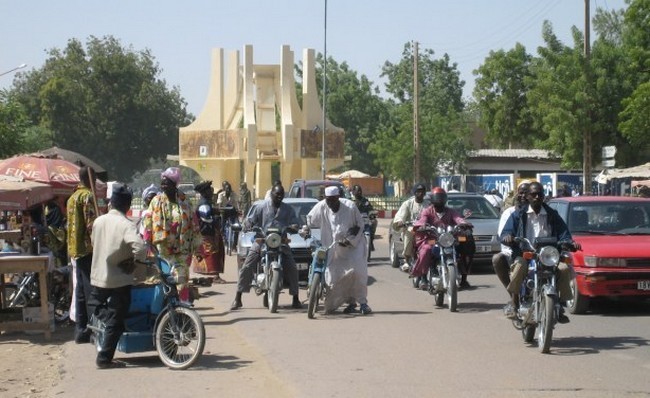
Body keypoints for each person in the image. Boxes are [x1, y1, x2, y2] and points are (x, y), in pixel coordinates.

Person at [500, 181, 579, 323]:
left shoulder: (552, 214)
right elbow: (506, 231)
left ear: (543, 196)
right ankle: (514, 302)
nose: (536, 197)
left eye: (539, 194)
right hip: (526, 254)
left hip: (549, 254)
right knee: (519, 267)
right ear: (528, 197)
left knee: (564, 268)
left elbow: (564, 234)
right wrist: (508, 236)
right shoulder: (519, 214)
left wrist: (569, 242)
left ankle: (559, 305)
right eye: (533, 194)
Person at [88, 183, 146, 369]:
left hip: (99, 276)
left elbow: (93, 243)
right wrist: (134, 262)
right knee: (116, 319)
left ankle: (108, 323)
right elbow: (141, 248)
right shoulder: (126, 224)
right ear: (127, 206)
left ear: (112, 202)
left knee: (93, 305)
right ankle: (104, 359)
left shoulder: (98, 221)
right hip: (120, 278)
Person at [231, 184, 302, 310]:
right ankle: (238, 297)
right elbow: (250, 220)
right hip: (262, 241)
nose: (279, 197)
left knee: (292, 266)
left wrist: (295, 227)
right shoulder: (261, 207)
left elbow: (295, 222)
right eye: (277, 194)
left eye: (281, 195)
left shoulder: (288, 209)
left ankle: (296, 298)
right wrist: (247, 225)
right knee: (247, 265)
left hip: (281, 242)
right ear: (271, 194)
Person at [307, 186, 371, 314]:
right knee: (333, 276)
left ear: (338, 198)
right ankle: (350, 303)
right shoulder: (322, 207)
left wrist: (349, 239)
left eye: (333, 200)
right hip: (333, 247)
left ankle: (363, 303)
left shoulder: (350, 206)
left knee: (357, 273)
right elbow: (310, 219)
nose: (330, 203)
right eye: (328, 200)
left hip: (353, 246)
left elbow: (359, 225)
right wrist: (306, 229)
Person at [145, 167, 198, 303]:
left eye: (166, 182)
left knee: (182, 279)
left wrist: (198, 246)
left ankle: (183, 308)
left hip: (183, 248)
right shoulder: (156, 201)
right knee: (164, 280)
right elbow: (148, 221)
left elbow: (193, 221)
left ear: (174, 184)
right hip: (163, 249)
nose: (163, 185)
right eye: (162, 182)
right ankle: (167, 310)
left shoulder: (185, 201)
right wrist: (147, 241)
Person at [410, 187, 472, 290]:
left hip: (447, 239)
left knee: (464, 247)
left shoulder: (450, 211)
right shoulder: (427, 211)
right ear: (432, 199)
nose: (439, 200)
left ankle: (463, 276)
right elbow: (423, 220)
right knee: (426, 250)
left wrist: (463, 223)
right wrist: (422, 226)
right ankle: (423, 277)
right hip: (432, 239)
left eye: (441, 198)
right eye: (437, 198)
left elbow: (458, 218)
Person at [66, 166, 99, 344]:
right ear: (89, 178)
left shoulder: (72, 198)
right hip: (87, 250)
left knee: (79, 291)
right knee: (90, 291)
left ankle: (81, 330)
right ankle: (93, 330)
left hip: (75, 250)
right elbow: (91, 225)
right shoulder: (87, 196)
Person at [492, 180, 530, 317]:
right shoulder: (511, 213)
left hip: (540, 253)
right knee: (499, 259)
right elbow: (504, 234)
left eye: (527, 193)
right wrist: (508, 238)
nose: (523, 196)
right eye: (521, 193)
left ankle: (557, 304)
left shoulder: (547, 212)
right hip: (513, 251)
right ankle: (514, 298)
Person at [192, 180, 226, 283]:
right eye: (210, 191)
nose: (212, 192)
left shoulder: (206, 202)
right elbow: (206, 218)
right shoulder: (204, 203)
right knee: (213, 252)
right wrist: (216, 219)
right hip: (207, 231)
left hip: (207, 231)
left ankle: (212, 275)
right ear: (205, 192)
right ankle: (215, 276)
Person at [392, 183, 430, 272]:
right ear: (414, 193)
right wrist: (400, 221)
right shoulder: (408, 203)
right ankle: (407, 259)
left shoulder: (428, 205)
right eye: (418, 191)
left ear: (425, 193)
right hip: (411, 229)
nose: (420, 193)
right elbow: (400, 216)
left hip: (425, 230)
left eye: (422, 192)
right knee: (409, 232)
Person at [351, 184, 377, 252]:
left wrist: (372, 214)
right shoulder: (350, 201)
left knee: (374, 222)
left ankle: (371, 241)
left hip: (364, 220)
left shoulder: (365, 201)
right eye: (357, 190)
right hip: (354, 221)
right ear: (353, 192)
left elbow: (370, 209)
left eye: (360, 190)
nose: (359, 192)